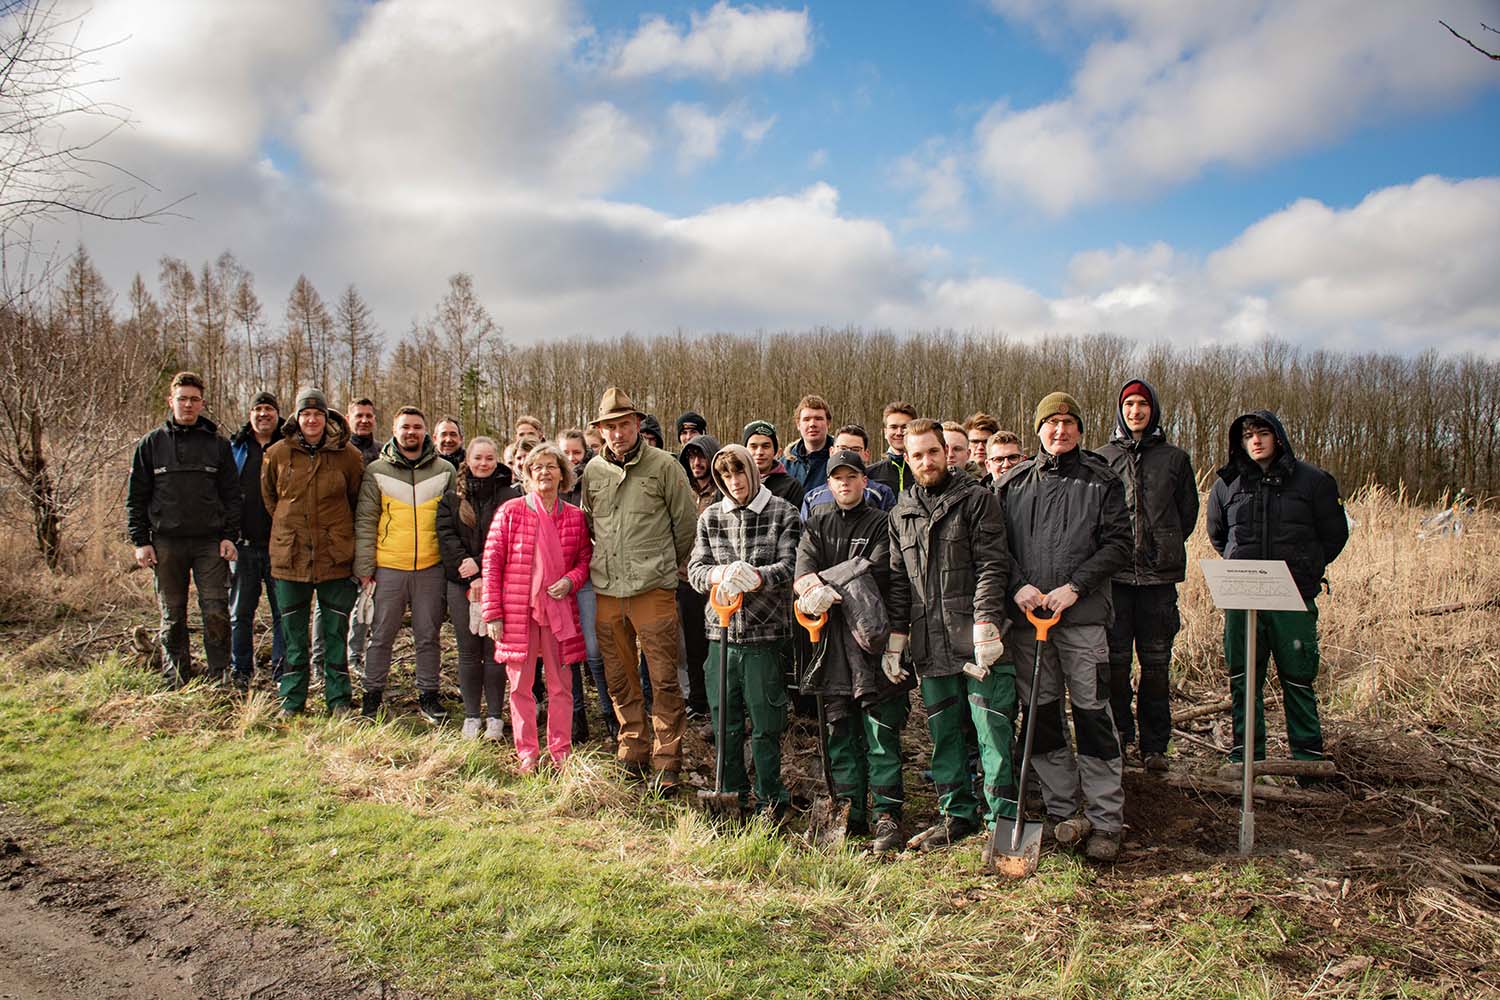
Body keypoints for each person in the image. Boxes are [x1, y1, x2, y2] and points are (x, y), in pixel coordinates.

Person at [997, 392, 1132, 862]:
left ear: (1080, 429)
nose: (1060, 431)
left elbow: (1119, 545)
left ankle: (1104, 820)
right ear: (1037, 429)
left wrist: (1075, 587)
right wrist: (1019, 587)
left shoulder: (1101, 481)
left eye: (1068, 422)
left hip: (1082, 620)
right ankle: (1061, 812)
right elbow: (996, 549)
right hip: (1028, 623)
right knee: (1044, 715)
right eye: (1051, 422)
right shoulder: (1012, 484)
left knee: (1094, 716)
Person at [1207, 410, 1347, 768]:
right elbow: (1218, 536)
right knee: (1243, 677)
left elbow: (1334, 535)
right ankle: (1248, 759)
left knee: (1298, 677)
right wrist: (1244, 567)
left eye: (1262, 433)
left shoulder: (1313, 481)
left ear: (1279, 437)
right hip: (1242, 597)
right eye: (1248, 435)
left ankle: (1308, 760)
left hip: (1293, 596)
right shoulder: (1227, 483)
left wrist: (1305, 568)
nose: (1255, 440)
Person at [793, 449, 911, 853]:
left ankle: (887, 814)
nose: (845, 483)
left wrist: (823, 582)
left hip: (872, 640)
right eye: (837, 478)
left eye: (852, 476)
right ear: (828, 485)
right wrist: (810, 588)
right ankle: (849, 809)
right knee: (839, 730)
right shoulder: (817, 524)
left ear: (865, 481)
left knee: (881, 731)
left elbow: (874, 570)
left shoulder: (883, 523)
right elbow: (800, 575)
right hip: (829, 645)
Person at [581, 388, 698, 790]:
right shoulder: (593, 472)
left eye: (624, 425)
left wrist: (661, 564)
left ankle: (667, 760)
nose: (617, 434)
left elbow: (685, 527)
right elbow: (590, 523)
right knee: (619, 676)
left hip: (653, 590)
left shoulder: (664, 466)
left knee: (664, 677)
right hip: (608, 591)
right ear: (600, 432)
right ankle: (632, 747)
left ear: (637, 425)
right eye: (609, 428)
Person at [687, 444, 800, 819]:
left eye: (739, 474)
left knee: (766, 724)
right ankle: (730, 792)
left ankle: (771, 799)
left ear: (752, 472)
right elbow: (695, 570)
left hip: (763, 637)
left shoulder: (782, 512)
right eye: (726, 477)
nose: (734, 483)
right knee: (724, 721)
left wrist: (758, 577)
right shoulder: (711, 517)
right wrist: (717, 574)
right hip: (720, 635)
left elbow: (792, 565)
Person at [1098, 380, 1199, 771]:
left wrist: (1164, 543)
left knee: (1156, 666)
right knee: (1117, 664)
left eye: (1142, 404)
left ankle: (1156, 746)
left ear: (1153, 409)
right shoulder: (1104, 457)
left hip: (1159, 581)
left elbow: (1186, 513)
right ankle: (1121, 737)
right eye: (1128, 404)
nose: (1135, 411)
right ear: (1120, 411)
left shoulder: (1174, 458)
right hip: (1117, 579)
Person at [126, 372, 241, 689]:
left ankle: (221, 675)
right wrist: (140, 541)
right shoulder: (152, 444)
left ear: (202, 403)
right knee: (172, 613)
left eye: (194, 399)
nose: (188, 405)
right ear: (171, 401)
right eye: (182, 398)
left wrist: (230, 535)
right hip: (166, 543)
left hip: (210, 543)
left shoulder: (217, 445)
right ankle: (176, 677)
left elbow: (231, 495)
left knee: (216, 610)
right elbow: (136, 497)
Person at [482, 445, 593, 772]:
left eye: (551, 466)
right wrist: (493, 613)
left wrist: (571, 581)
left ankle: (560, 752)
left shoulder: (574, 516)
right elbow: (491, 563)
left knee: (562, 686)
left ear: (563, 473)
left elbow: (585, 560)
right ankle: (527, 754)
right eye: (537, 467)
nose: (544, 472)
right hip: (519, 612)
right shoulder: (511, 511)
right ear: (528, 474)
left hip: (558, 612)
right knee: (520, 687)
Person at [260, 387, 365, 717]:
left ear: (327, 417)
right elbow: (270, 499)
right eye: (306, 414)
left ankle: (338, 701)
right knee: (293, 635)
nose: (312, 420)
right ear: (296, 418)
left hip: (335, 557)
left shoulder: (348, 456)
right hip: (290, 557)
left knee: (335, 632)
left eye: (318, 414)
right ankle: (292, 700)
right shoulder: (277, 454)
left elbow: (355, 499)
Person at [354, 406, 456, 722]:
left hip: (430, 567)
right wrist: (365, 566)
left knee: (428, 635)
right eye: (405, 427)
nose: (411, 432)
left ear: (425, 431)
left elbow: (454, 522)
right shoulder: (377, 471)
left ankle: (428, 696)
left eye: (416, 427)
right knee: (381, 635)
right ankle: (371, 698)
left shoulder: (444, 471)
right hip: (389, 568)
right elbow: (366, 520)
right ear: (394, 431)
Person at [436, 436, 520, 740]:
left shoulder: (510, 496)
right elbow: (446, 538)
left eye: (489, 458)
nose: (483, 464)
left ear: (497, 460)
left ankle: (496, 716)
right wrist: (470, 570)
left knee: (494, 650)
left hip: (500, 584)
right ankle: (472, 715)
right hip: (461, 584)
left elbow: (512, 540)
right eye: (477, 458)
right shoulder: (451, 499)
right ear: (467, 461)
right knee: (469, 651)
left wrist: (481, 565)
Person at [559, 427, 617, 744]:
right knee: (568, 654)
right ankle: (576, 716)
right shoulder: (550, 482)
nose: (571, 459)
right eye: (565, 453)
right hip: (557, 581)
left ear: (586, 452)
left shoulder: (593, 481)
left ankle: (609, 713)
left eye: (577, 452)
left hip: (588, 574)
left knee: (595, 650)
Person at [228, 391, 285, 689]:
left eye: (269, 409)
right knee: (240, 613)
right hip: (243, 546)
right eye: (258, 409)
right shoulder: (236, 447)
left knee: (283, 614)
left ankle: (281, 672)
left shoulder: (288, 446)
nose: (264, 414)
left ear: (278, 414)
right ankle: (241, 671)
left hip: (280, 548)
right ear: (250, 413)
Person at [677, 431, 723, 719]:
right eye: (691, 456)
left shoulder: (723, 491)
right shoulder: (683, 489)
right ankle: (698, 700)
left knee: (716, 645)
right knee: (693, 644)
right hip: (684, 577)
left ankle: (720, 699)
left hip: (716, 577)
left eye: (701, 456)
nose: (697, 462)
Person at [799, 425, 895, 517]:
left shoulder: (882, 494)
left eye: (855, 449)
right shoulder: (812, 498)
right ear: (831, 452)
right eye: (842, 448)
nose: (847, 453)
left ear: (866, 455)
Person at [743, 420, 805, 508]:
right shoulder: (731, 482)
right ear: (744, 450)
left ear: (776, 452)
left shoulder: (791, 487)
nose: (759, 452)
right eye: (753, 446)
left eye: (766, 446)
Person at [784, 394, 832, 491]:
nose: (812, 424)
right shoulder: (785, 464)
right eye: (806, 419)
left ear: (828, 423)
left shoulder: (839, 460)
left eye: (818, 419)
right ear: (798, 424)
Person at [867, 402, 915, 495]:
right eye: (893, 427)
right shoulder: (870, 474)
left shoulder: (926, 470)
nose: (899, 432)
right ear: (885, 432)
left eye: (905, 427)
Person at [348, 398, 381, 465]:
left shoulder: (384, 453)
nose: (364, 421)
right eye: (359, 416)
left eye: (369, 416)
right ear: (348, 419)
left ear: (374, 419)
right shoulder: (338, 450)